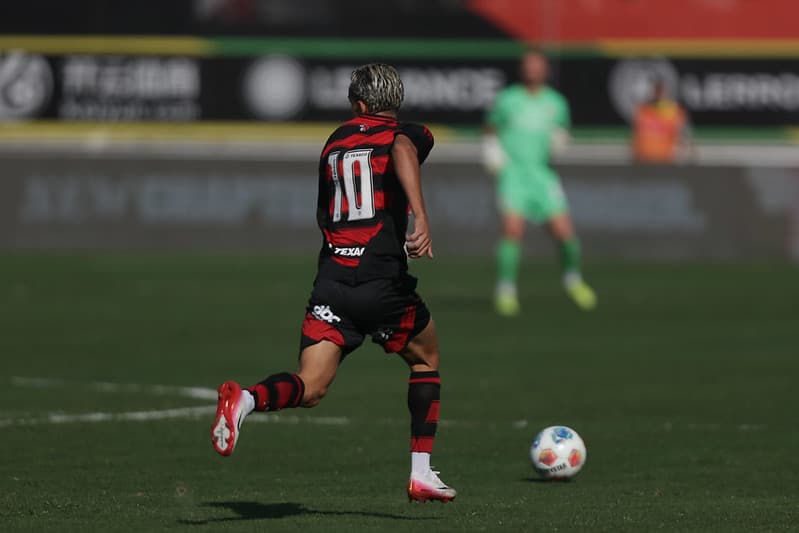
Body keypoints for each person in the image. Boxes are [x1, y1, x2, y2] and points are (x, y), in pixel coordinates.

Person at [210, 63, 456, 503]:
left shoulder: (334, 142)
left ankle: (244, 400)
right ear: (392, 104)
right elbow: (401, 147)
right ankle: (421, 471)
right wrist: (420, 215)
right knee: (426, 358)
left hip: (332, 282)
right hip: (380, 281)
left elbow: (323, 215)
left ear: (358, 104)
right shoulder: (408, 133)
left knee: (312, 386)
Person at [483, 48, 596, 317]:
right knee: (512, 231)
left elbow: (561, 132)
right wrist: (491, 151)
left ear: (546, 70)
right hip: (514, 175)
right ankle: (505, 290)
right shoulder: (508, 99)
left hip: (541, 175)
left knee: (565, 233)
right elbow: (491, 128)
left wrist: (559, 142)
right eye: (528, 65)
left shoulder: (556, 103)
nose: (532, 69)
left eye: (537, 65)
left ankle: (573, 279)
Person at [632, 79, 690, 163]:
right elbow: (635, 138)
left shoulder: (675, 112)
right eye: (655, 90)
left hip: (666, 162)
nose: (658, 94)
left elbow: (685, 139)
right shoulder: (642, 111)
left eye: (660, 91)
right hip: (644, 162)